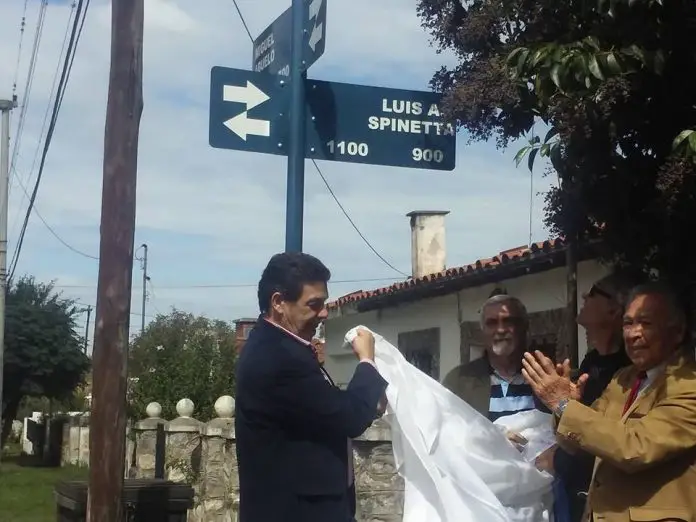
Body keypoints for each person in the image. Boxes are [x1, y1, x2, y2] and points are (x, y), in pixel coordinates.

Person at [523, 282, 696, 522]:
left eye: (646, 323)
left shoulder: (689, 385)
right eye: (628, 323)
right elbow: (582, 442)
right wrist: (567, 407)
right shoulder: (623, 378)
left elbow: (634, 449)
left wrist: (564, 406)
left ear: (677, 332)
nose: (633, 334)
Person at [235, 252, 388, 522]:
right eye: (314, 304)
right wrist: (367, 362)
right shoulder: (278, 358)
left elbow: (321, 410)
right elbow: (348, 417)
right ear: (279, 302)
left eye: (324, 303)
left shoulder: (279, 347)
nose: (324, 313)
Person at [536, 273, 633, 522]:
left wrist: (559, 458)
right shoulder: (592, 361)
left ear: (614, 310)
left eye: (592, 293)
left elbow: (616, 441)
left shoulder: (630, 371)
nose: (583, 296)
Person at [443, 294, 547, 449]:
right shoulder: (458, 381)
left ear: (524, 327)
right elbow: (446, 436)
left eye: (508, 321)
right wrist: (492, 442)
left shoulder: (547, 375)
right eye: (492, 323)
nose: (500, 330)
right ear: (482, 331)